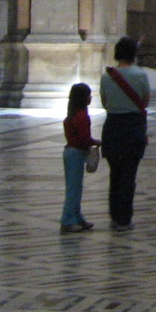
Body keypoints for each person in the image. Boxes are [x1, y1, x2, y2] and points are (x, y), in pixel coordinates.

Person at [100, 36, 151, 231]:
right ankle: (124, 218)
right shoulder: (141, 75)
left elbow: (105, 103)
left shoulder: (107, 76)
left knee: (115, 174)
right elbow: (145, 102)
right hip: (133, 126)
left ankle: (114, 216)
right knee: (129, 174)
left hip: (113, 126)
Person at [59, 83, 99, 232]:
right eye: (89, 95)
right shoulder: (81, 116)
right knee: (74, 189)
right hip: (76, 153)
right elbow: (84, 138)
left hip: (71, 152)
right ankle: (68, 221)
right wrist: (95, 142)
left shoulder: (72, 114)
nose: (91, 97)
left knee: (75, 188)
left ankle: (77, 217)